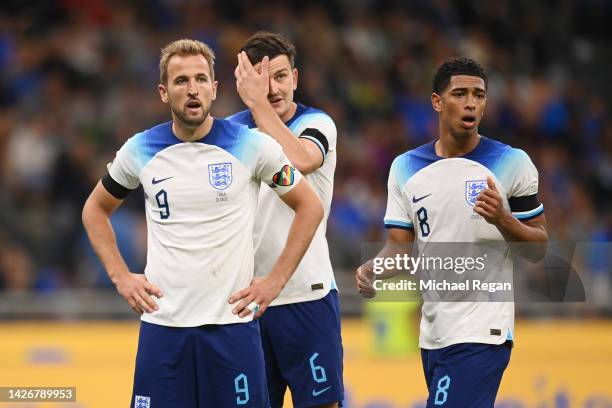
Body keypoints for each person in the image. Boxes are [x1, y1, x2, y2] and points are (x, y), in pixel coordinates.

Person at [82, 38, 324, 408]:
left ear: (215, 87)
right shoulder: (140, 150)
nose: (192, 89)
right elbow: (95, 209)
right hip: (163, 330)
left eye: (200, 79)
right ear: (164, 92)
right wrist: (121, 276)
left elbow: (309, 206)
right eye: (181, 81)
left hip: (232, 330)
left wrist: (275, 281)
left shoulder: (251, 146)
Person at [356, 57, 548, 407]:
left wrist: (504, 220)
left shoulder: (512, 162)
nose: (471, 102)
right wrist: (373, 269)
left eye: (479, 94)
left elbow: (539, 247)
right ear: (437, 102)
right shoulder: (405, 168)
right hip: (434, 334)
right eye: (460, 93)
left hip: (482, 330)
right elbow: (399, 249)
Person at [227, 31, 344, 408]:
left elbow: (302, 159)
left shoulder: (317, 124)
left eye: (280, 76)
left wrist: (258, 107)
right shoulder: (228, 133)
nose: (273, 89)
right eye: (261, 80)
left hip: (305, 295)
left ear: (296, 77)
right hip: (245, 303)